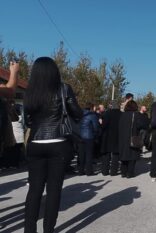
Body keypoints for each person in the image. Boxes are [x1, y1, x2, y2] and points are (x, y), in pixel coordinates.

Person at [23, 57, 83, 233]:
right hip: (58, 143)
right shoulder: (63, 89)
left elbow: (27, 121)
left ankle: (29, 230)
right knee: (54, 191)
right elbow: (77, 113)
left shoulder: (30, 91)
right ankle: (48, 230)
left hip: (35, 142)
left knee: (34, 190)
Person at [118, 100, 147, 178]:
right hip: (133, 137)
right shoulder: (136, 114)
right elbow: (142, 125)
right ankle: (130, 173)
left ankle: (123, 172)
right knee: (132, 156)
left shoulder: (122, 115)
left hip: (123, 138)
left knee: (124, 155)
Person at [100, 101, 121, 176]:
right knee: (116, 154)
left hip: (107, 136)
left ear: (111, 106)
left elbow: (104, 125)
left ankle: (105, 171)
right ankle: (113, 171)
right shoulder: (121, 114)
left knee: (106, 154)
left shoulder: (107, 113)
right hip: (117, 136)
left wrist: (101, 124)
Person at [78, 102, 100, 176]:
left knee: (81, 154)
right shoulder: (92, 115)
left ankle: (80, 171)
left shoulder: (80, 114)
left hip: (80, 136)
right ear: (91, 107)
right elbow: (96, 127)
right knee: (89, 154)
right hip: (89, 136)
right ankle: (89, 171)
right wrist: (95, 134)